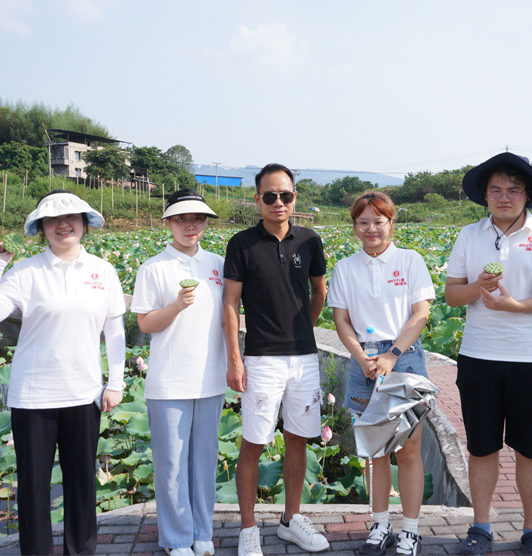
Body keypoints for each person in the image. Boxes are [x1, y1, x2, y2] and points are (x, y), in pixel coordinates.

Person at [0, 190, 126, 556]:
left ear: (85, 223)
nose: (62, 224)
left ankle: (81, 551)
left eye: (71, 217)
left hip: (84, 393)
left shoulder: (103, 271)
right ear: (41, 228)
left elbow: (114, 330)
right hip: (33, 395)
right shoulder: (26, 272)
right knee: (33, 486)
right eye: (52, 220)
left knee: (81, 482)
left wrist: (116, 382)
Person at [444, 152, 532, 556]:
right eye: (496, 189)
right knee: (481, 448)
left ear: (527, 195)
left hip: (531, 359)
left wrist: (515, 305)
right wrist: (478, 287)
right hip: (479, 357)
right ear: (485, 195)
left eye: (514, 190)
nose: (504, 197)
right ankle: (480, 527)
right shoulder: (470, 235)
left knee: (531, 449)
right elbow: (452, 294)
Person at [223, 163, 330, 556]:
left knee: (298, 440)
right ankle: (248, 528)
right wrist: (235, 359)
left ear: (294, 198)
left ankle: (290, 520)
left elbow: (319, 292)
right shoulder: (242, 244)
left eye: (285, 195)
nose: (278, 202)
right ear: (258, 199)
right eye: (270, 196)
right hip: (261, 359)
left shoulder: (310, 241)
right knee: (253, 443)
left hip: (304, 359)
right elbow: (230, 303)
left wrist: (302, 327)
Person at [328, 192, 434, 556]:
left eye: (378, 221)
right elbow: (341, 320)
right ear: (354, 225)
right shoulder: (345, 268)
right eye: (363, 222)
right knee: (374, 451)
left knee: (408, 450)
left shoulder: (410, 260)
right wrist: (360, 357)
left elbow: (421, 313)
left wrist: (392, 354)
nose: (371, 229)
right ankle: (380, 524)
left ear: (391, 222)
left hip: (403, 357)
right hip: (363, 362)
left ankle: (410, 531)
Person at [131, 189, 226, 556]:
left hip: (211, 376)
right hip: (168, 381)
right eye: (182, 219)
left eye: (198, 218)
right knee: (171, 463)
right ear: (169, 223)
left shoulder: (218, 264)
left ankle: (202, 533)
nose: (190, 225)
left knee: (204, 460)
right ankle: (176, 539)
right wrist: (176, 306)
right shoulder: (153, 267)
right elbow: (145, 323)